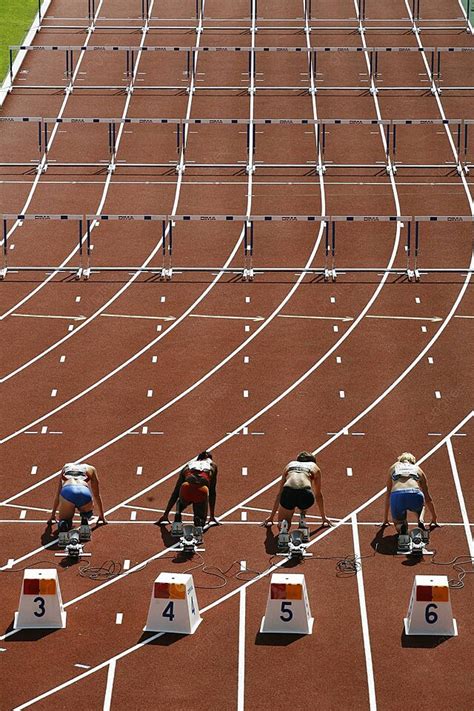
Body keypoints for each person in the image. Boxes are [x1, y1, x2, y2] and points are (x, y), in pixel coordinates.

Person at [157, 451, 218, 538]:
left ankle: (177, 523)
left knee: (180, 503)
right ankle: (198, 525)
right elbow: (212, 492)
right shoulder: (213, 466)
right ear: (210, 459)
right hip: (202, 491)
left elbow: (176, 492)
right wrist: (212, 516)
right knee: (200, 511)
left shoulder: (188, 466)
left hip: (187, 488)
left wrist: (166, 514)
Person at [263, 451, 331, 530]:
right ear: (313, 461)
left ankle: (284, 526)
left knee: (283, 523)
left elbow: (280, 494)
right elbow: (318, 495)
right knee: (304, 498)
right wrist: (323, 517)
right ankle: (302, 517)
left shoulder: (290, 465)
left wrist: (271, 517)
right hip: (305, 494)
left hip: (288, 492)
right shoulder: (314, 466)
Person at [49, 462, 107, 545]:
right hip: (83, 491)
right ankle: (84, 525)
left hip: (68, 490)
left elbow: (58, 494)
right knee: (87, 510)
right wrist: (102, 515)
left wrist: (53, 515)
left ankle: (64, 534)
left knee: (65, 520)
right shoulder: (91, 469)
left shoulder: (65, 467)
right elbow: (96, 495)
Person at [382, 452, 438, 533]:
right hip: (415, 493)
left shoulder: (393, 467)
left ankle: (402, 527)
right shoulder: (418, 469)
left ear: (400, 460)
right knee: (421, 507)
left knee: (398, 523)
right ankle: (420, 520)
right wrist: (434, 518)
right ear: (413, 461)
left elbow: (388, 495)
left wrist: (385, 519)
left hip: (397, 495)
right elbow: (428, 498)